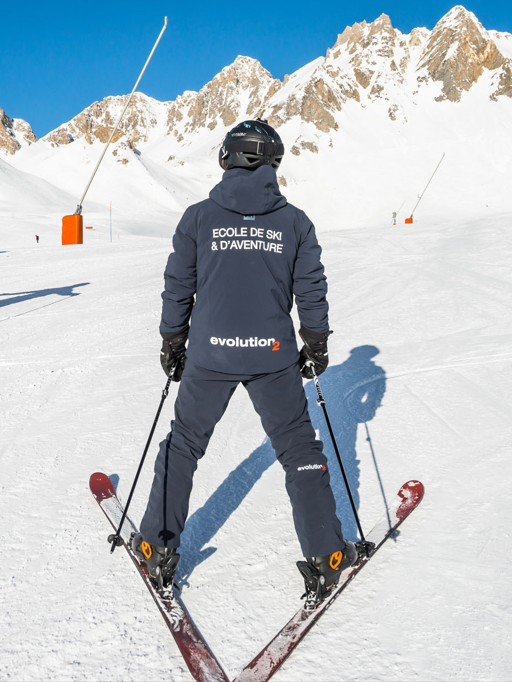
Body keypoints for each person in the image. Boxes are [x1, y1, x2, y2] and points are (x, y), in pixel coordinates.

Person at [133, 119, 355, 605]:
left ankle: (156, 547)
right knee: (299, 449)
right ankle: (327, 554)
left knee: (184, 445)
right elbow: (311, 288)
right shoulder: (295, 222)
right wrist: (315, 343)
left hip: (210, 354)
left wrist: (173, 341)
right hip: (272, 356)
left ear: (226, 158)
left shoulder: (198, 218)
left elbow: (178, 285)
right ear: (272, 162)